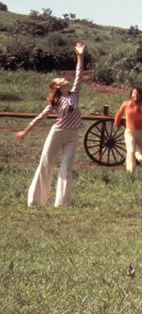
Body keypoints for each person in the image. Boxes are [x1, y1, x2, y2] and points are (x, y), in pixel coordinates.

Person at [16, 42, 87, 206]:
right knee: (45, 164)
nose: (64, 79)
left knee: (67, 169)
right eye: (60, 79)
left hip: (72, 135)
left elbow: (79, 75)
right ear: (55, 86)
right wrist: (25, 132)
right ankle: (35, 201)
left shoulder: (74, 94)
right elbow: (40, 117)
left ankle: (62, 203)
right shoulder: (55, 102)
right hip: (58, 133)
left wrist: (80, 56)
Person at [113, 86, 142, 173]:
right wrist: (117, 123)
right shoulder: (126, 104)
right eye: (134, 93)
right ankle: (130, 172)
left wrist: (140, 111)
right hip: (130, 132)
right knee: (130, 151)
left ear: (141, 95)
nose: (136, 95)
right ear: (131, 95)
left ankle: (137, 154)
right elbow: (119, 114)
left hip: (141, 132)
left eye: (138, 94)